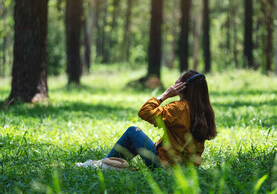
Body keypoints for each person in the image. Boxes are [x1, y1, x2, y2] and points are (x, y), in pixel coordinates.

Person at [76, 70, 217, 169]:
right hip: (185, 168)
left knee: (133, 131)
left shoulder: (179, 108)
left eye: (177, 81)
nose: (174, 83)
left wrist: (164, 95)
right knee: (137, 143)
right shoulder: (206, 111)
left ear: (181, 87)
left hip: (165, 166)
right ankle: (109, 163)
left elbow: (145, 112)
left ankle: (102, 165)